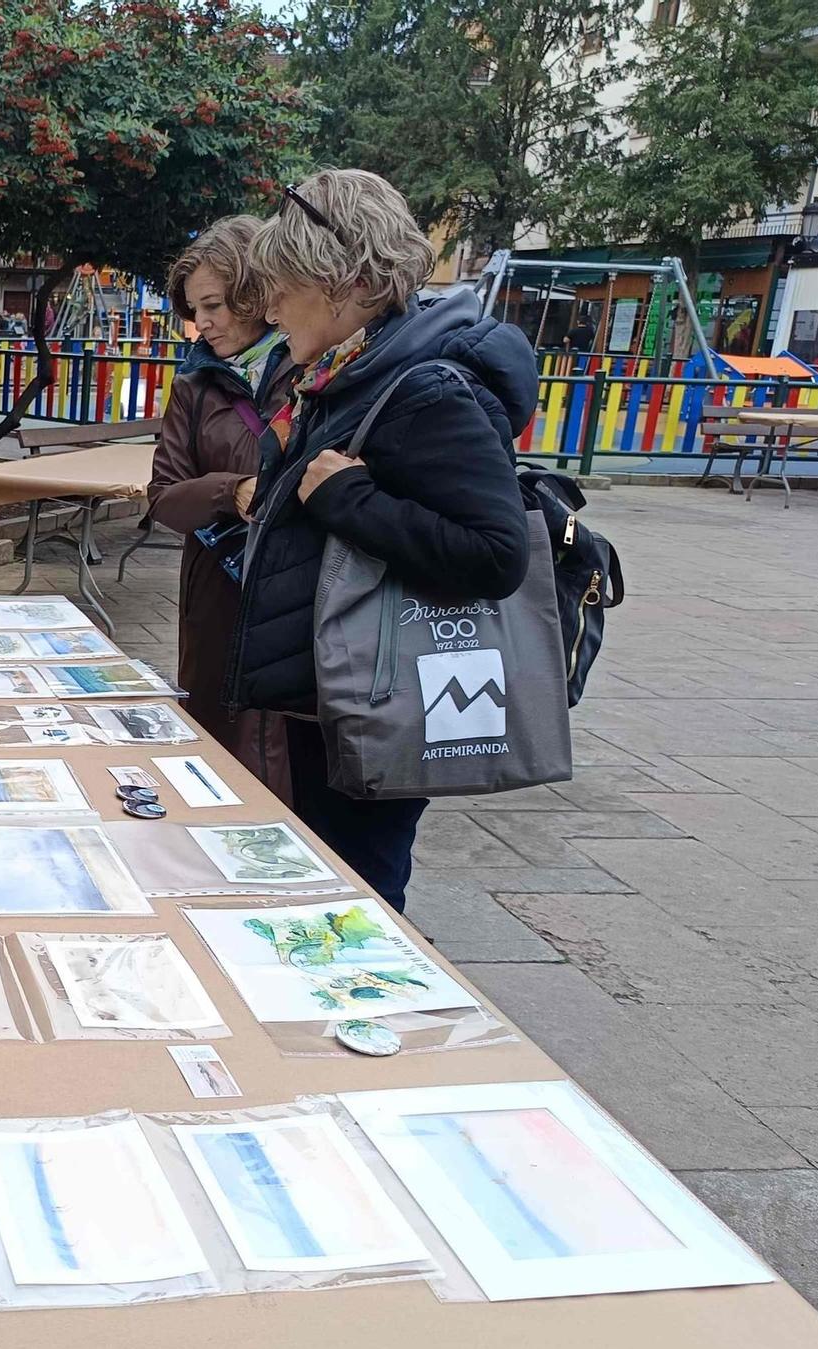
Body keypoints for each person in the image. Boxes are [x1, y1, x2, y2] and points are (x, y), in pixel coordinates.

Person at [233, 169, 535, 911]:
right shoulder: (350, 372)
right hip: (331, 694)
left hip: (374, 703)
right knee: (326, 883)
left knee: (355, 897)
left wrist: (349, 499)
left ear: (352, 282)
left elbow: (495, 554)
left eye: (284, 283)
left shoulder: (423, 388)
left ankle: (367, 1019)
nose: (269, 306)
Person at [146, 215, 295, 796]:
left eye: (214, 306)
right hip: (218, 590)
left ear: (256, 292)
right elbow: (163, 496)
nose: (202, 325)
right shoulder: (194, 383)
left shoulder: (311, 370)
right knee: (216, 746)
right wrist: (229, 492)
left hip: (296, 591)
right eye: (194, 310)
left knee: (289, 752)